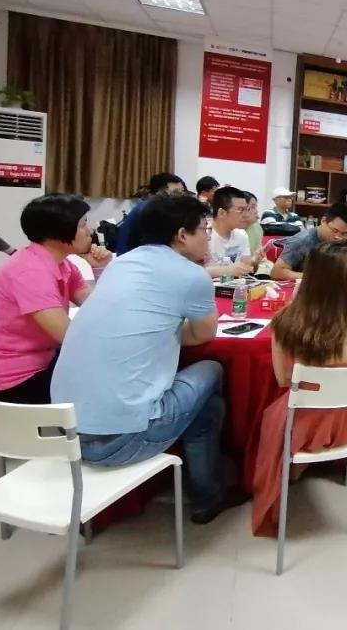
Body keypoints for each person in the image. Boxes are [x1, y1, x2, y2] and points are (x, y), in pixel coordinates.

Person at [51, 194, 245, 525]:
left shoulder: (122, 263)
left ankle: (207, 491)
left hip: (65, 433)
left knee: (206, 406)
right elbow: (202, 335)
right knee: (212, 369)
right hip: (123, 438)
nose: (207, 237)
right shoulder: (191, 276)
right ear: (182, 235)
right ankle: (209, 492)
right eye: (204, 229)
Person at [251, 241, 347, 536]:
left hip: (300, 425)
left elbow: (283, 380)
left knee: (274, 414)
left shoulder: (285, 321)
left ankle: (294, 467)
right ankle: (301, 467)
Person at [0, 195, 110, 404]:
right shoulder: (31, 272)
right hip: (2, 380)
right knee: (103, 383)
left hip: (33, 360)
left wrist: (99, 269)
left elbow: (96, 308)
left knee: (101, 369)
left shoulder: (62, 264)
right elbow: (70, 337)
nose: (91, 231)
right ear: (57, 232)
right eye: (83, 224)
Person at [270, 202, 347, 299]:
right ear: (323, 220)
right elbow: (276, 272)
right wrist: (316, 277)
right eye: (335, 230)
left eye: (343, 233)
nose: (338, 237)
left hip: (329, 285)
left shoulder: (342, 242)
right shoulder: (302, 241)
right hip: (308, 287)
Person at [115, 172, 186, 254]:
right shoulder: (150, 209)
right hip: (135, 256)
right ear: (160, 192)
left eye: (182, 192)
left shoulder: (151, 206)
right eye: (175, 192)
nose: (181, 197)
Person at [205, 186, 256, 279]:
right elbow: (191, 271)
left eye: (247, 209)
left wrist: (254, 261)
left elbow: (245, 268)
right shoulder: (203, 234)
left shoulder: (241, 234)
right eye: (241, 210)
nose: (247, 215)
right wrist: (226, 270)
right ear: (222, 213)